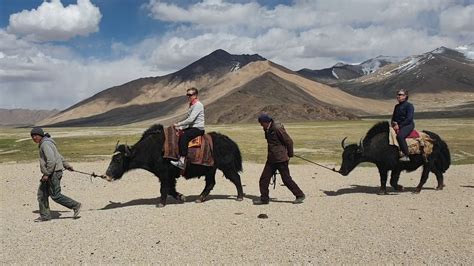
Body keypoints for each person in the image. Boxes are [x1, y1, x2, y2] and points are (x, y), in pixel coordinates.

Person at [30, 127, 81, 222]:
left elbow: (51, 160)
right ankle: (45, 216)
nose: (34, 138)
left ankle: (75, 205)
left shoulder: (45, 144)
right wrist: (66, 165)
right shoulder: (48, 143)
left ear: (40, 135)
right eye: (32, 136)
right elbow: (58, 156)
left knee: (55, 195)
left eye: (35, 135)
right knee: (42, 194)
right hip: (53, 172)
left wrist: (47, 174)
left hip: (52, 173)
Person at [253, 114, 306, 205]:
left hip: (281, 159)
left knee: (286, 179)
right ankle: (264, 199)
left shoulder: (277, 128)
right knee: (264, 179)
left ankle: (300, 195)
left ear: (266, 122)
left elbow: (289, 141)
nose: (261, 125)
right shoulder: (267, 129)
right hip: (271, 158)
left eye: (261, 123)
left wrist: (290, 153)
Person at [171, 87, 205, 169]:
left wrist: (179, 124)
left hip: (198, 129)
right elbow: (189, 121)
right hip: (192, 127)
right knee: (178, 133)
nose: (188, 96)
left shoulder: (198, 105)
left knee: (184, 136)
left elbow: (190, 119)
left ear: (195, 95)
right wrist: (181, 127)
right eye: (187, 95)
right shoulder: (191, 105)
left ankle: (182, 160)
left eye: (190, 95)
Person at [391, 89, 415, 162]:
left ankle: (406, 155)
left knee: (400, 136)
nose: (398, 96)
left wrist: (399, 126)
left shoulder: (409, 106)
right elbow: (393, 117)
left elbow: (409, 119)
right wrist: (393, 123)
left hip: (408, 125)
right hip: (397, 125)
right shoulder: (396, 106)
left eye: (400, 94)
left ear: (405, 96)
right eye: (397, 94)